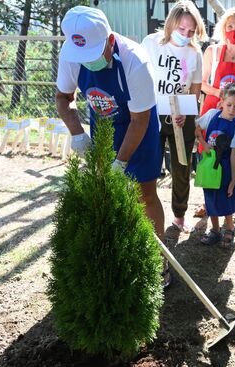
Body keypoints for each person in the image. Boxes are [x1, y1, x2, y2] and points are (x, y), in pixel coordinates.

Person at [55, 6, 164, 240]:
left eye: (93, 56)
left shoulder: (135, 61)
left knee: (144, 194)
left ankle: (158, 259)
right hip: (103, 125)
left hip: (139, 128)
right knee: (108, 193)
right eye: (82, 58)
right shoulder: (70, 53)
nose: (87, 63)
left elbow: (139, 119)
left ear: (110, 40)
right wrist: (77, 134)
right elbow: (63, 98)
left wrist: (121, 162)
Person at [141, 0, 207, 233]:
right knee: (149, 165)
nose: (186, 35)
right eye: (182, 30)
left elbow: (195, 89)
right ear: (171, 24)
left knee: (181, 167)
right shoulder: (150, 43)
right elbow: (140, 78)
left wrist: (186, 114)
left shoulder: (194, 52)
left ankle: (179, 215)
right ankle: (145, 209)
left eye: (191, 31)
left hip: (182, 115)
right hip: (152, 114)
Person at [194, 6, 235, 218]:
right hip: (214, 109)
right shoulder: (212, 52)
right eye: (230, 26)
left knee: (233, 158)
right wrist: (220, 93)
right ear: (223, 28)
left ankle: (229, 200)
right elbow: (202, 83)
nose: (234, 30)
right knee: (209, 155)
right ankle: (208, 202)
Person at [195, 84, 235, 247]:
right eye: (229, 105)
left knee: (226, 197)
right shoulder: (211, 115)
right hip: (209, 166)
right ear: (222, 101)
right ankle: (215, 230)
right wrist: (204, 143)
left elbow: (234, 154)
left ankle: (229, 228)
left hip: (224, 167)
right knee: (210, 198)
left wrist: (233, 179)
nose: (231, 110)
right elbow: (196, 129)